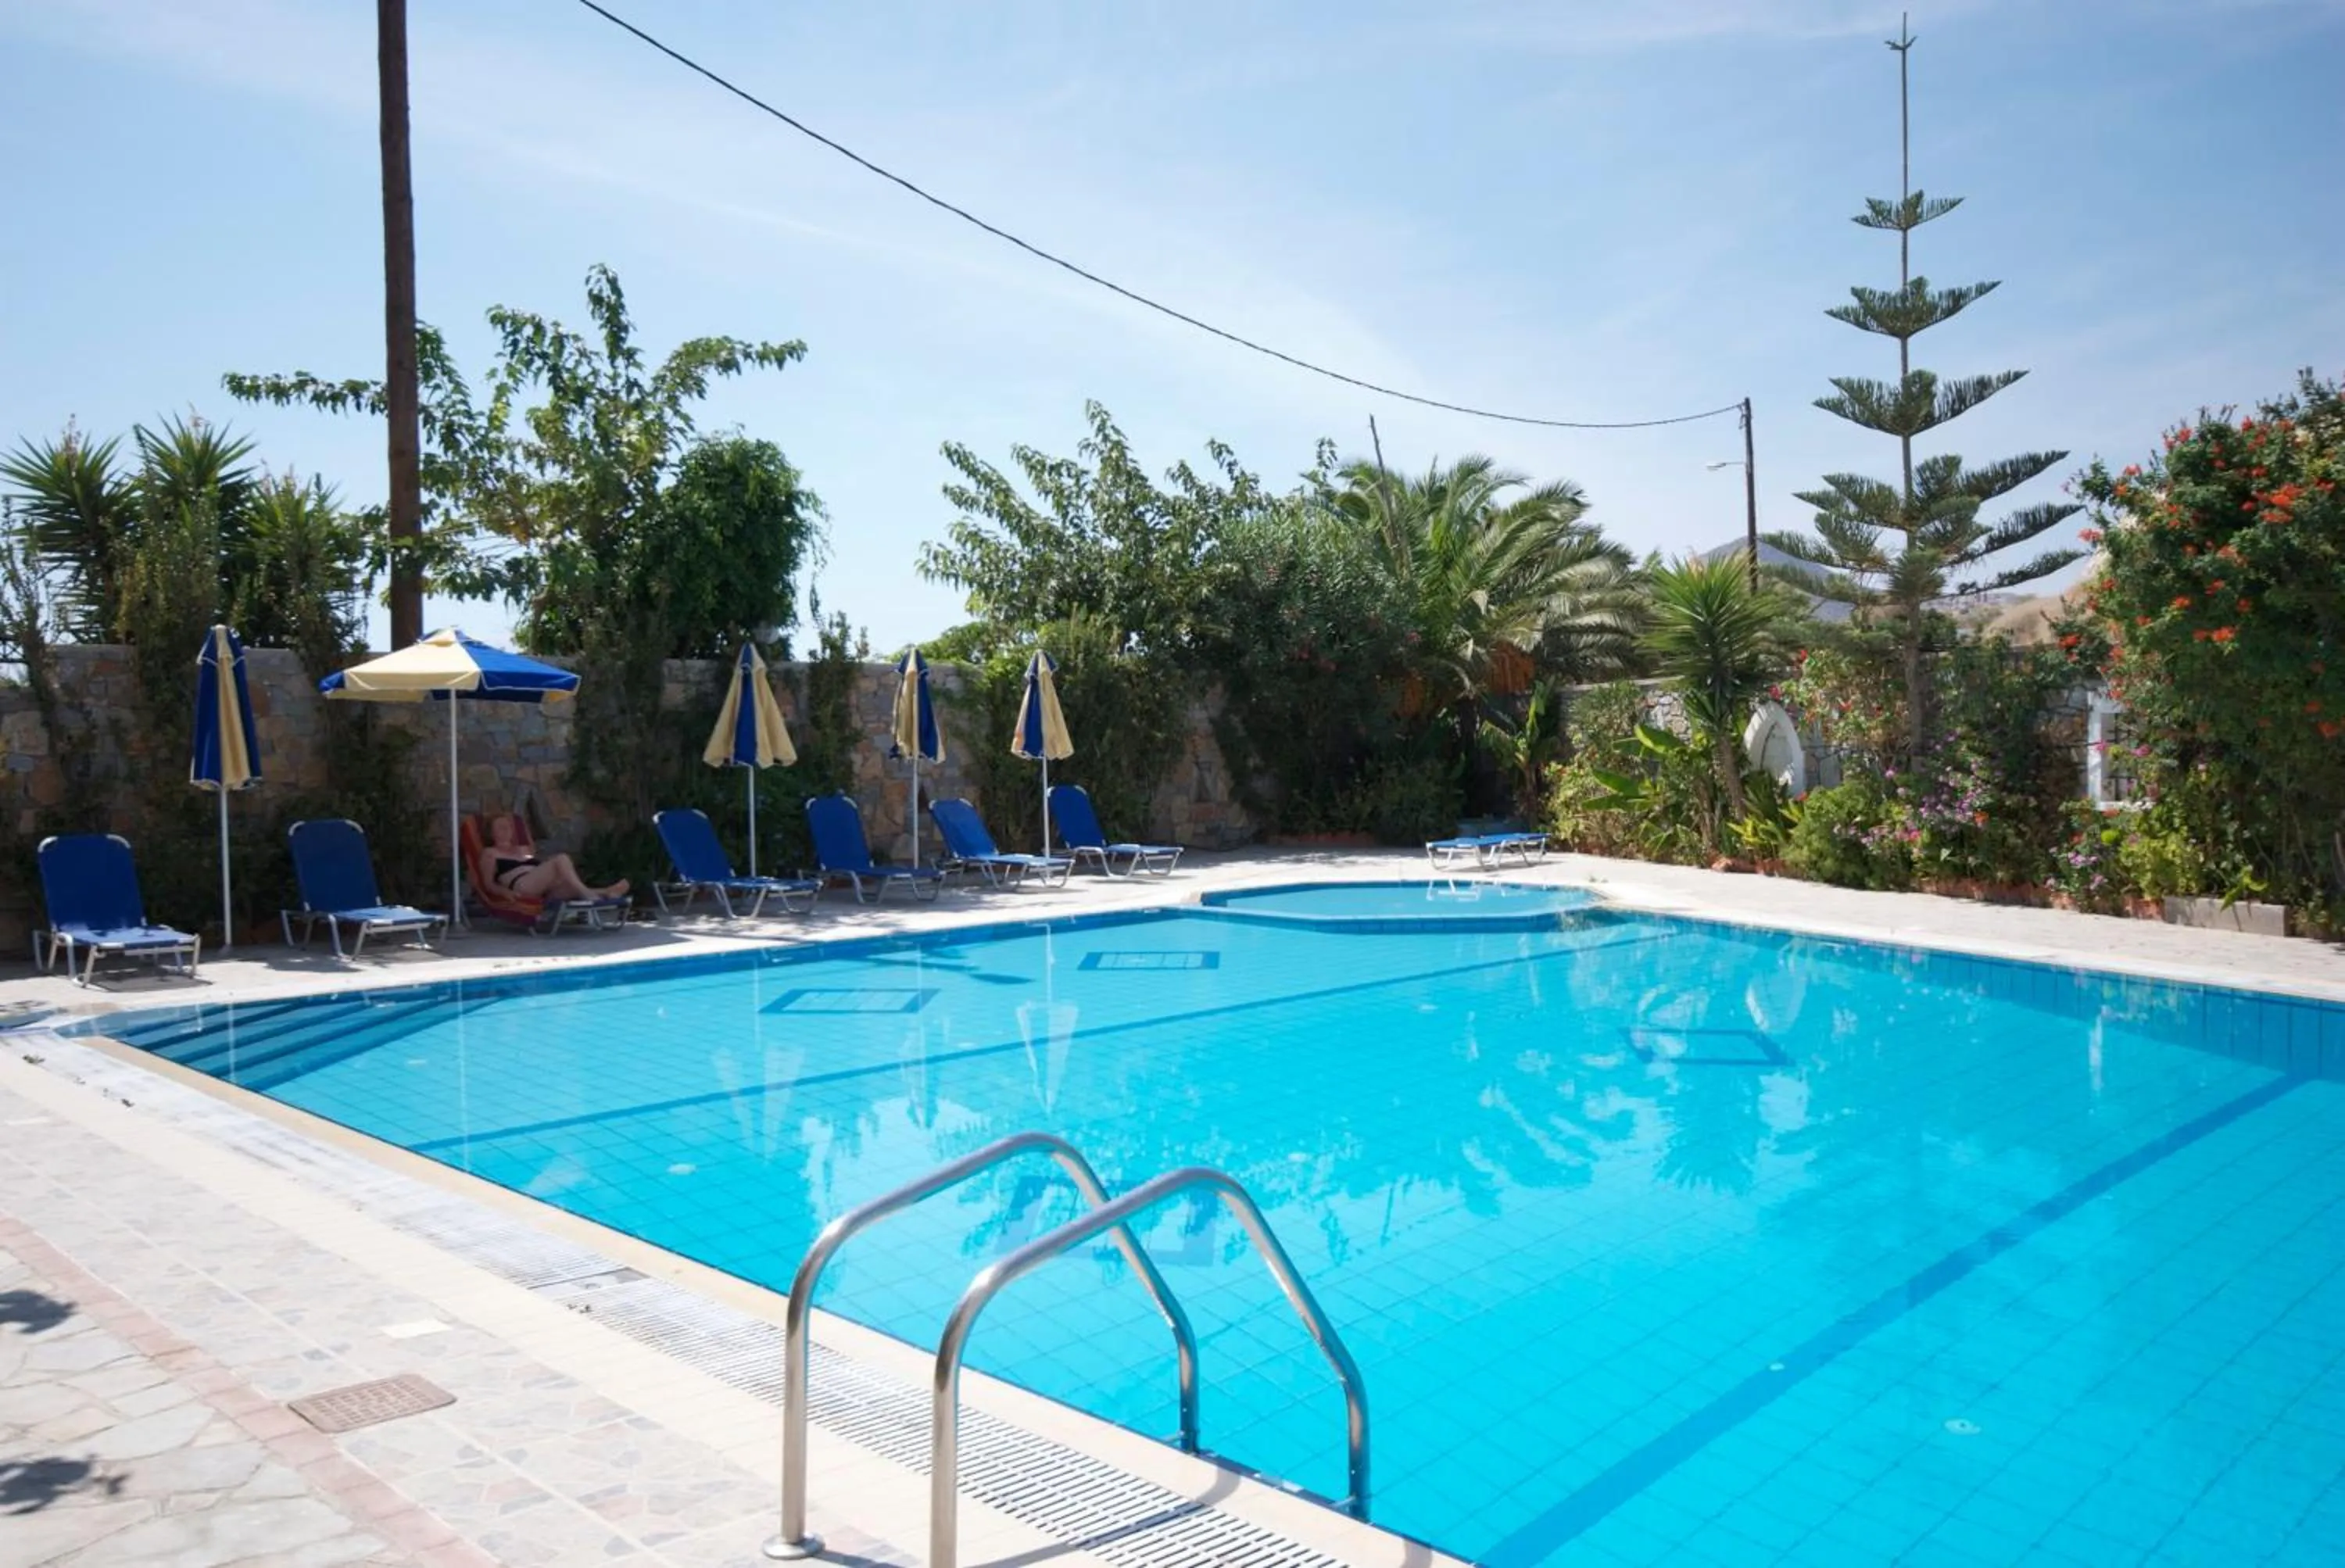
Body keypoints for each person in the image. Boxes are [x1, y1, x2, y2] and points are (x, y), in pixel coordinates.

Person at [477, 813, 628, 904]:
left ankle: (607, 892)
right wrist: (504, 893)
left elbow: (538, 869)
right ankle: (589, 895)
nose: (507, 829)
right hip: (522, 886)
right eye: (501, 827)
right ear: (491, 833)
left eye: (508, 826)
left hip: (541, 888)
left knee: (570, 885)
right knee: (561, 859)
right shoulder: (490, 853)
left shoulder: (523, 849)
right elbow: (488, 884)